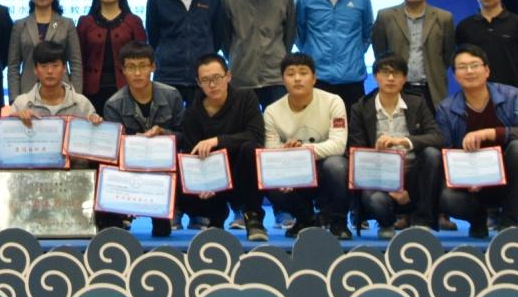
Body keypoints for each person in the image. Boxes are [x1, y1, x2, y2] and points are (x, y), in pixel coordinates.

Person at [435, 44, 518, 239]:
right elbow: (445, 152)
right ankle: (478, 219)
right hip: (470, 186)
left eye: (475, 65)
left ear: (487, 70)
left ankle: (509, 223)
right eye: (462, 67)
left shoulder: (511, 96)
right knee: (447, 198)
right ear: (455, 75)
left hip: (508, 181)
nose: (469, 71)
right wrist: (466, 179)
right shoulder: (446, 109)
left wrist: (491, 133)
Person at [347, 54, 444, 239]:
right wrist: (389, 186)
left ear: (404, 78)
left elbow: (438, 138)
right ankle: (387, 222)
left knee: (432, 154)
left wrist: (403, 141)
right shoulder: (361, 108)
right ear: (375, 76)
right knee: (375, 200)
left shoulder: (417, 102)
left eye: (396, 73)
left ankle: (422, 221)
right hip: (378, 176)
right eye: (385, 73)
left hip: (414, 175)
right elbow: (357, 154)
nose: (390, 78)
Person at [179, 54, 267, 241]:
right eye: (205, 80)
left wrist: (218, 140)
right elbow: (191, 154)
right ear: (198, 83)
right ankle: (214, 217)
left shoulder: (246, 98)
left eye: (217, 78)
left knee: (251, 149)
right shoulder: (192, 113)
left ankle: (253, 217)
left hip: (242, 173)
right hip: (211, 178)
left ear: (228, 76)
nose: (212, 85)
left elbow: (256, 136)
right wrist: (203, 182)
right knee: (180, 180)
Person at [101, 41, 185, 237]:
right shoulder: (113, 104)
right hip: (130, 168)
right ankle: (118, 217)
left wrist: (164, 134)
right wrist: (134, 143)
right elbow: (113, 150)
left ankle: (170, 213)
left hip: (165, 167)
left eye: (143, 66)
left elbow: (185, 136)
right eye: (131, 67)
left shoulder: (172, 96)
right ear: (123, 70)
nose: (137, 73)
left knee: (163, 234)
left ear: (153, 67)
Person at [263, 53, 351, 239]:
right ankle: (306, 219)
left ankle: (338, 221)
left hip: (324, 169)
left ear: (314, 78)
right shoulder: (271, 111)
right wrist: (286, 153)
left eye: (303, 73)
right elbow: (271, 154)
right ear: (282, 79)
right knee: (269, 180)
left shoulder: (333, 101)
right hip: (293, 170)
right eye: (290, 74)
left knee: (337, 165)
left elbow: (338, 145)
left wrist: (302, 151)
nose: (297, 78)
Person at [295, 0, 373, 113]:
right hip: (317, 78)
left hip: (352, 78)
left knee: (353, 128)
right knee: (317, 127)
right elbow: (299, 34)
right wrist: (313, 54)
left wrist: (354, 53)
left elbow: (367, 33)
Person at [145, 0, 226, 105]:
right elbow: (153, 37)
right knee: (167, 120)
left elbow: (218, 34)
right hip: (168, 75)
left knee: (203, 120)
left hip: (203, 76)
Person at [221, 0, 295, 109]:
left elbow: (290, 35)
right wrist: (238, 56)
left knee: (277, 124)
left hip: (276, 77)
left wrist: (279, 56)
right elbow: (224, 38)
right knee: (244, 124)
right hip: (242, 77)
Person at [371, 0, 454, 109]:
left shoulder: (444, 17)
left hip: (432, 89)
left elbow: (448, 55)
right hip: (397, 87)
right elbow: (380, 53)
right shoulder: (385, 16)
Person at [77, 0, 147, 113]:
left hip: (126, 88)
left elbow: (143, 57)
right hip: (91, 91)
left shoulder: (133, 21)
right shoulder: (85, 22)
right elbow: (79, 59)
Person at [7, 0, 82, 100]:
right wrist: (14, 99)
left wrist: (76, 97)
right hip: (28, 93)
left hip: (62, 93)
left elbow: (76, 64)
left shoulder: (67, 24)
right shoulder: (20, 25)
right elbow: (13, 66)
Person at [10, 40, 99, 120]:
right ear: (35, 69)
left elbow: (96, 129)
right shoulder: (21, 104)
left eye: (55, 66)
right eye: (44, 66)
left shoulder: (82, 103)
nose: (49, 71)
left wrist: (95, 123)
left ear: (64, 68)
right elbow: (7, 130)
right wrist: (15, 120)